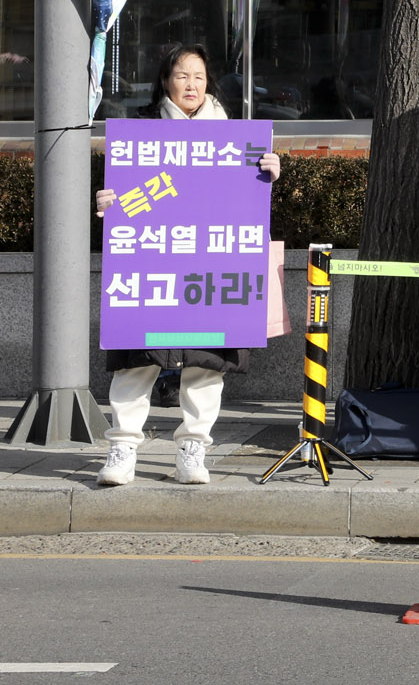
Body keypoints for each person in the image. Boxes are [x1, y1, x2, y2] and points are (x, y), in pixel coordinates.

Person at [92, 43, 283, 488]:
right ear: (165, 81)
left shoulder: (237, 140)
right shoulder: (140, 136)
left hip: (209, 265)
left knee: (204, 360)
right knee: (137, 356)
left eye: (199, 76)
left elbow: (249, 205)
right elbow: (122, 200)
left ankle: (193, 447)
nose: (191, 84)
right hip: (152, 261)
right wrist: (107, 204)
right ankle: (123, 446)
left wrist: (269, 172)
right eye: (182, 75)